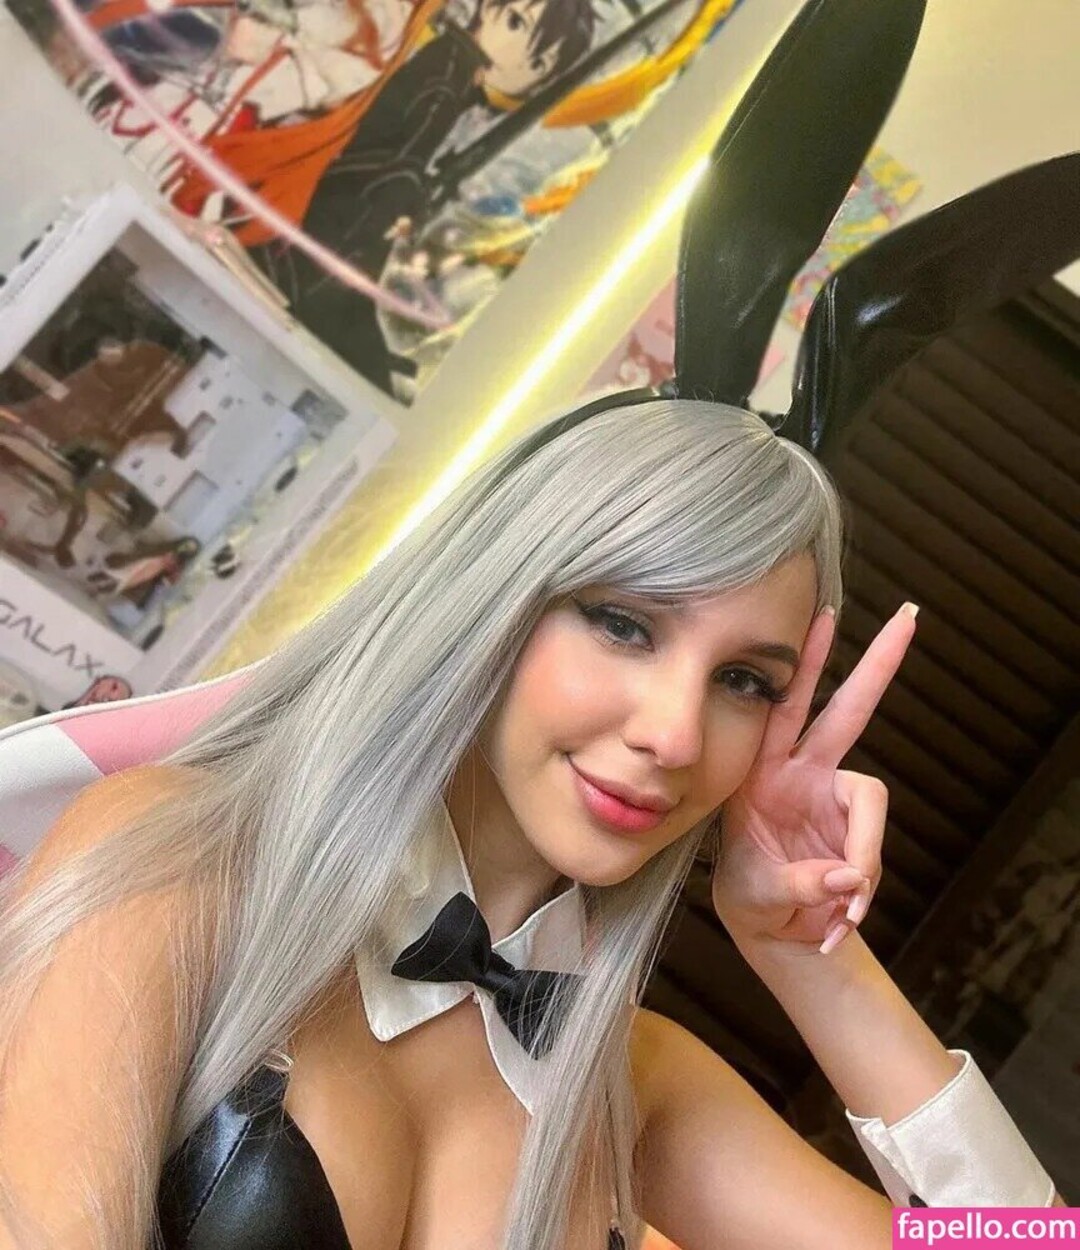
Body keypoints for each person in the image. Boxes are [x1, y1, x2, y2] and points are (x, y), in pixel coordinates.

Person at [0, 398, 1066, 1250]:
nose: (674, 733)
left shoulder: (637, 1084)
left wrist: (815, 959)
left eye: (744, 681)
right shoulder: (183, 860)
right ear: (499, 599)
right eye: (624, 623)